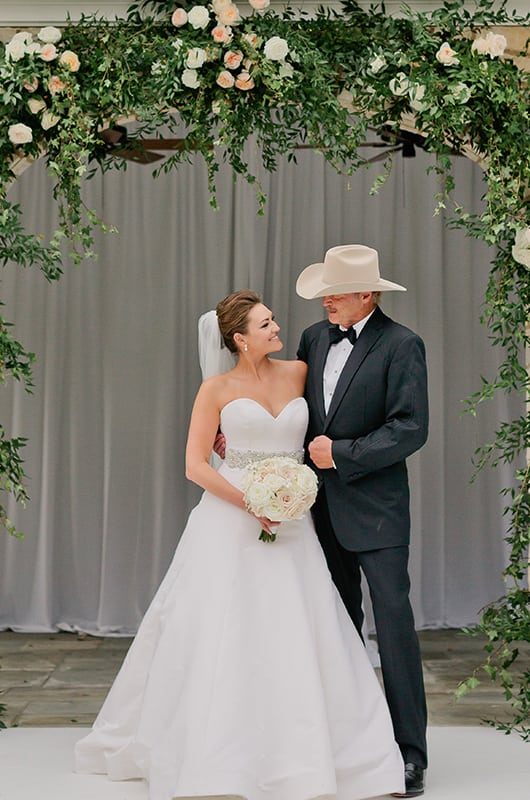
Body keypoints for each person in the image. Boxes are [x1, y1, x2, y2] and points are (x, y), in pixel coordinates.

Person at [74, 290, 405, 800]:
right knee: (224, 632)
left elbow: (334, 418)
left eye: (274, 320)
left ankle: (313, 749)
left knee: (298, 628)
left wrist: (291, 491)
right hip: (231, 521)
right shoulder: (215, 389)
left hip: (293, 523)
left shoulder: (298, 372)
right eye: (266, 323)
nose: (277, 328)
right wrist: (252, 502)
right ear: (239, 339)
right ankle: (221, 752)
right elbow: (195, 465)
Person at [295, 245, 429, 798]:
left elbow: (410, 428)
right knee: (336, 628)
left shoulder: (402, 345)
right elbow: (294, 406)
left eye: (337, 292)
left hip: (376, 513)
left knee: (393, 627)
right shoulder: (311, 338)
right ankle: (349, 745)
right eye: (325, 292)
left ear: (368, 295)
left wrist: (342, 453)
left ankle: (410, 755)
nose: (327, 301)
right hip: (317, 511)